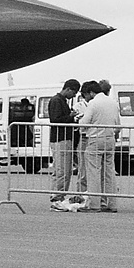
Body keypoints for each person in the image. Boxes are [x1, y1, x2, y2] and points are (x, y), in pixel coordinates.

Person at [80, 79, 121, 212]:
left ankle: (95, 204)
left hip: (95, 139)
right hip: (110, 139)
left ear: (91, 93)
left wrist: (80, 121)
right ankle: (111, 204)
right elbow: (118, 124)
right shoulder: (113, 103)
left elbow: (84, 123)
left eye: (86, 95)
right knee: (109, 172)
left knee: (93, 172)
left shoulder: (93, 103)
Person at [47, 80, 81, 208]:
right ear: (68, 89)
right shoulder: (57, 101)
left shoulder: (59, 100)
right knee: (63, 169)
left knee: (60, 168)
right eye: (74, 92)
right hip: (61, 138)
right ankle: (58, 195)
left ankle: (56, 194)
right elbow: (55, 120)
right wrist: (71, 116)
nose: (74, 95)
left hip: (61, 138)